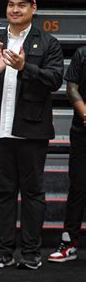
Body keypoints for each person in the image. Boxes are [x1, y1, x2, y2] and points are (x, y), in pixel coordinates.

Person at [0, 0, 63, 270]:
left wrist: (25, 68)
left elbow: (55, 80)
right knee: (4, 192)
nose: (16, 9)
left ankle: (32, 253)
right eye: (11, 4)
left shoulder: (48, 43)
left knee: (33, 192)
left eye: (22, 4)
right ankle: (3, 251)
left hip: (32, 130)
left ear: (34, 9)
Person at [48, 46, 86, 263]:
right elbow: (72, 89)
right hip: (82, 131)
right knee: (78, 187)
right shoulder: (82, 54)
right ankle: (69, 243)